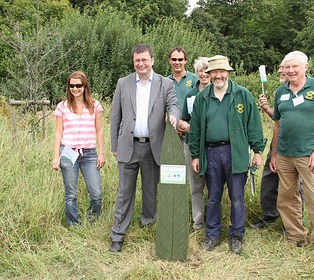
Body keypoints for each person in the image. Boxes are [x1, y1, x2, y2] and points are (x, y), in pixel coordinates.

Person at [189, 55, 265, 254]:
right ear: (209, 74)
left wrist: (257, 151)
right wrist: (195, 155)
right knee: (213, 196)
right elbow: (195, 129)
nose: (219, 75)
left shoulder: (242, 95)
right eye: (215, 72)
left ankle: (237, 235)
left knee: (237, 196)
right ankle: (212, 235)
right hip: (211, 152)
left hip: (236, 152)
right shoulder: (202, 98)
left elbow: (254, 124)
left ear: (228, 73)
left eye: (222, 71)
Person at [109, 44, 181, 253]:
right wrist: (115, 145)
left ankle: (148, 225)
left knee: (150, 191)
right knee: (124, 193)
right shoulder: (123, 83)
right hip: (128, 146)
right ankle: (118, 234)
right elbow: (116, 116)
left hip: (153, 147)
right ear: (134, 62)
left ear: (152, 60)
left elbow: (174, 104)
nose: (141, 64)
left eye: (144, 60)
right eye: (137, 61)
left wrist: (174, 116)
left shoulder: (164, 83)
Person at [270, 51, 314, 249]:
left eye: (295, 67)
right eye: (287, 67)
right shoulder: (280, 92)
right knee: (286, 199)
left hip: (309, 155)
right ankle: (296, 237)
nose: (291, 71)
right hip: (284, 154)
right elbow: (277, 125)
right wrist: (274, 154)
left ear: (305, 67)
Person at [253, 62, 304, 229]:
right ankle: (269, 214)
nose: (282, 70)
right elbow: (278, 120)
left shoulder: (303, 90)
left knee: (296, 185)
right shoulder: (281, 92)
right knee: (269, 177)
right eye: (281, 68)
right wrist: (267, 108)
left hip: (298, 148)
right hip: (278, 143)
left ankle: (294, 222)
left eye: (285, 67)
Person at [52, 70, 105, 226]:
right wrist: (56, 156)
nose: (75, 89)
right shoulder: (62, 107)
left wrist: (101, 153)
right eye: (72, 86)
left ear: (85, 86)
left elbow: (100, 130)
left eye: (78, 85)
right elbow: (58, 132)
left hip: (89, 153)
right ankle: (74, 224)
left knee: (96, 194)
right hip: (68, 152)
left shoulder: (95, 105)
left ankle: (92, 220)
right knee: (70, 193)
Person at [178, 57, 210, 232]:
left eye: (207, 70)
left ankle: (213, 221)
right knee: (196, 186)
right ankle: (198, 224)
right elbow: (183, 120)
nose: (204, 74)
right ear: (196, 73)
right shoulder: (191, 94)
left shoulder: (217, 92)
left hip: (212, 147)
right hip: (192, 145)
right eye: (200, 70)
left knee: (214, 187)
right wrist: (187, 126)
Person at [167, 47, 198, 130]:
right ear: (170, 61)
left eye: (180, 59)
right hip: (171, 129)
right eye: (174, 59)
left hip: (190, 129)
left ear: (185, 61)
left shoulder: (195, 79)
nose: (177, 62)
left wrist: (185, 125)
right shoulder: (165, 82)